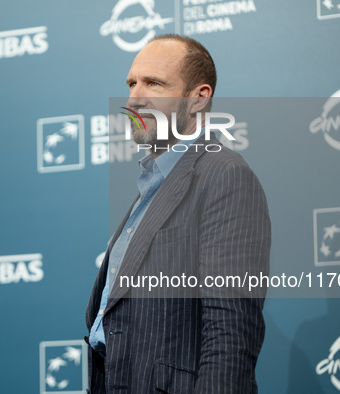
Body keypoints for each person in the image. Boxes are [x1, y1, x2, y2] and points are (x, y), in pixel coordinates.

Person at [85, 34, 271, 393]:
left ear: (198, 98)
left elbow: (229, 339)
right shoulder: (152, 187)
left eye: (154, 83)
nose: (135, 98)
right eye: (131, 83)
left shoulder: (224, 175)